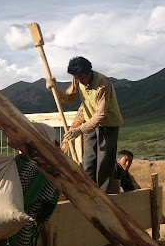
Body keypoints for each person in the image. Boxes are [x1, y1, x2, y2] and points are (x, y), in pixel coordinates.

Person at [46, 57, 122, 191]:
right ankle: (88, 191)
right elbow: (69, 99)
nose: (79, 80)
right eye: (76, 77)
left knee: (104, 162)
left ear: (89, 71)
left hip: (108, 125)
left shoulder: (102, 84)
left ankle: (103, 196)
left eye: (81, 77)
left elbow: (100, 114)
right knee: (88, 160)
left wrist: (79, 130)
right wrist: (55, 88)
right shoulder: (77, 79)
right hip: (89, 123)